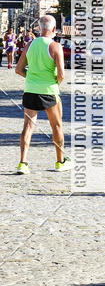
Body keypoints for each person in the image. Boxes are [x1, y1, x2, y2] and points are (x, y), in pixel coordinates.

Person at [14, 14, 70, 173]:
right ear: (53, 29)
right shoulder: (55, 46)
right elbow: (61, 74)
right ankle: (60, 162)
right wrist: (54, 84)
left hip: (31, 90)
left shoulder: (30, 45)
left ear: (39, 28)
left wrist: (31, 77)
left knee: (28, 126)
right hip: (49, 91)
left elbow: (18, 69)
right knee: (57, 126)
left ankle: (23, 163)